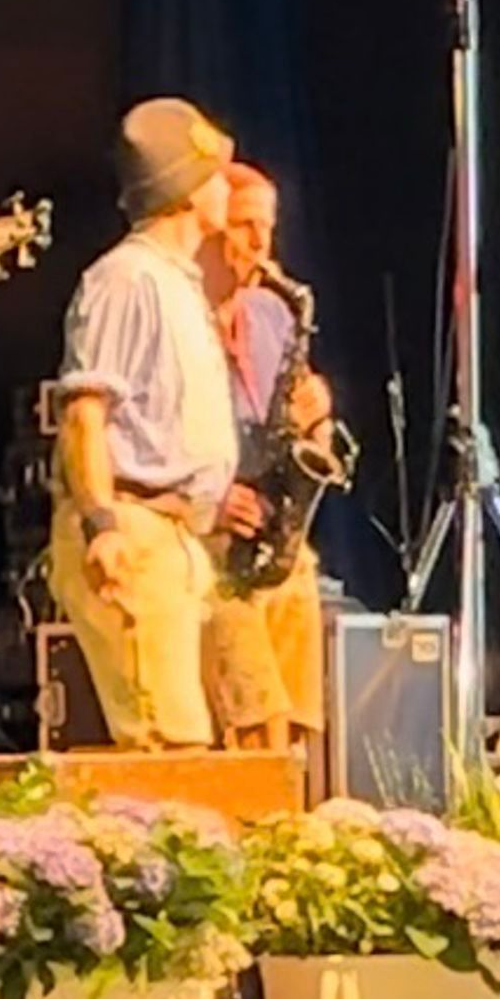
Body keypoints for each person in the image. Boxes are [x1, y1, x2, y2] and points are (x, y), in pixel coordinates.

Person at [47, 98, 247, 750]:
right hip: (132, 531)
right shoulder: (125, 279)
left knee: (189, 740)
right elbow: (85, 414)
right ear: (186, 191)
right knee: (168, 744)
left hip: (175, 533)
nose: (227, 184)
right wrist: (102, 524)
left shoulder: (174, 282)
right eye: (215, 173)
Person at [204, 162, 333, 755]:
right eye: (244, 226)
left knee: (299, 582)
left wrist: (318, 417)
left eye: (268, 228)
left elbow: (307, 423)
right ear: (208, 230)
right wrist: (210, 496)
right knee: (251, 681)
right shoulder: (179, 315)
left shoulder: (274, 313)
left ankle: (292, 777)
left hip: (265, 528)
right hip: (206, 527)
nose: (261, 244)